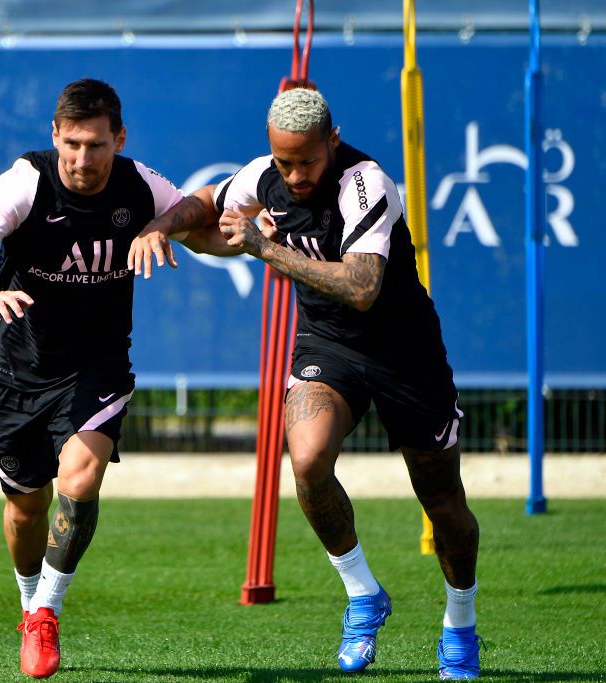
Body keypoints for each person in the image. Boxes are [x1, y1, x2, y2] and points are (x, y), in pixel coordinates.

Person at [127, 87, 482, 680]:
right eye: (283, 162)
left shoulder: (365, 183)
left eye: (306, 162)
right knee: (308, 459)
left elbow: (363, 289)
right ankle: (364, 594)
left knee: (443, 505)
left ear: (332, 141)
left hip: (406, 355)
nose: (293, 176)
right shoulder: (264, 174)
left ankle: (460, 623)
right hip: (328, 347)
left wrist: (263, 246)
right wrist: (161, 225)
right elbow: (208, 203)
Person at [0, 78, 195, 678]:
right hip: (16, 370)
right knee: (25, 508)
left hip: (98, 365)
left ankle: (46, 615)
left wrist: (162, 227)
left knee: (79, 480)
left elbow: (199, 210)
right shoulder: (26, 182)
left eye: (97, 145)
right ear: (55, 135)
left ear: (120, 140)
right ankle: (28, 601)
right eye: (73, 144)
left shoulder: (140, 185)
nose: (84, 159)